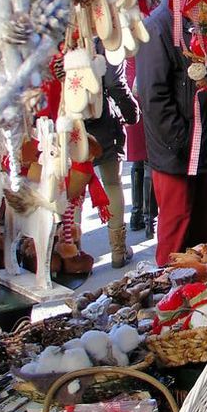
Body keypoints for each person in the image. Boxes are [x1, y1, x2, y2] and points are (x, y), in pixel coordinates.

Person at [136, 0, 207, 266]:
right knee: (177, 230)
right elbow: (153, 97)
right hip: (176, 153)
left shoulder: (198, 22)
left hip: (204, 148)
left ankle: (200, 290)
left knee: (203, 231)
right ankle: (168, 291)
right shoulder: (157, 28)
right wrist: (184, 141)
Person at [84, 48, 140, 268]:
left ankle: (72, 252)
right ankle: (118, 251)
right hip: (102, 123)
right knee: (112, 184)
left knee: (74, 191)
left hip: (71, 123)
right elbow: (115, 83)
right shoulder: (104, 38)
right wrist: (131, 112)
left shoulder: (63, 35)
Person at [125, 57, 156, 239]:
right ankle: (149, 219)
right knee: (148, 160)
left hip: (129, 87)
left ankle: (137, 215)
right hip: (148, 87)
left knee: (138, 158)